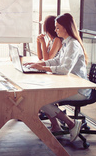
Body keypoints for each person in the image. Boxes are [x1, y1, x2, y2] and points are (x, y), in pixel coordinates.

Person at [25, 13, 90, 142]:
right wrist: (39, 64)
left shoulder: (73, 45)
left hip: (78, 90)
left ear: (65, 28)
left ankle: (71, 123)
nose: (55, 30)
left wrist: (43, 68)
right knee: (40, 95)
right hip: (69, 85)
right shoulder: (66, 43)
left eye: (57, 27)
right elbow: (56, 61)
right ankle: (58, 125)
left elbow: (65, 69)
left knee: (40, 100)